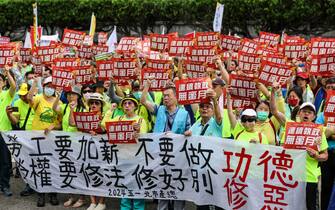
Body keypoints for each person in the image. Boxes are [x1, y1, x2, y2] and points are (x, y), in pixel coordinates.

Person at [271, 87, 330, 210]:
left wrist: (317, 156)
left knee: (310, 207)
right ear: (299, 113)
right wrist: (272, 92)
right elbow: (274, 111)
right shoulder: (289, 126)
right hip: (290, 176)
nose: (306, 114)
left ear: (314, 116)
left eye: (309, 112)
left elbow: (325, 156)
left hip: (310, 178)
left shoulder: (319, 131)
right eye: (304, 111)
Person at [141, 80, 191, 210]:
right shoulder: (160, 109)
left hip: (177, 157)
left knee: (178, 186)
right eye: (164, 96)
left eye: (168, 95)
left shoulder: (184, 114)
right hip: (160, 155)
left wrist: (178, 136)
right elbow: (143, 101)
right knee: (163, 185)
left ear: (176, 97)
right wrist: (147, 86)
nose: (165, 98)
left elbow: (189, 135)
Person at [103, 94, 147, 210]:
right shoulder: (119, 119)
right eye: (125, 104)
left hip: (137, 159)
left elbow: (144, 139)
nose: (127, 106)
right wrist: (110, 111)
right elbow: (104, 125)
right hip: (122, 158)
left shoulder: (141, 120)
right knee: (125, 185)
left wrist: (138, 134)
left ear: (135, 106)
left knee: (137, 186)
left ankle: (138, 208)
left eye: (130, 103)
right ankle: (125, 208)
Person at [27, 76, 60, 207]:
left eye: (52, 86)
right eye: (48, 86)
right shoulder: (39, 98)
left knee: (52, 166)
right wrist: (35, 83)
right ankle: (41, 194)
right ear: (44, 86)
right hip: (37, 138)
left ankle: (53, 194)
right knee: (40, 166)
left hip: (51, 139)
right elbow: (29, 98)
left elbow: (59, 123)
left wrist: (53, 126)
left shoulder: (58, 102)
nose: (50, 89)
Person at [6, 83, 36, 197]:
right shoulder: (17, 103)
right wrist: (9, 115)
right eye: (21, 95)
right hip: (25, 137)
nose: (22, 97)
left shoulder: (36, 101)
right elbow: (15, 121)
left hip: (38, 136)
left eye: (25, 95)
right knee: (27, 162)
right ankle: (29, 185)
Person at [0, 65, 16, 197]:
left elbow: (14, 87)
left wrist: (7, 73)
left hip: (4, 133)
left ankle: (5, 185)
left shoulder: (7, 94)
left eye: (0, 80)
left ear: (3, 83)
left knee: (5, 162)